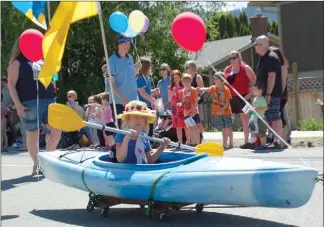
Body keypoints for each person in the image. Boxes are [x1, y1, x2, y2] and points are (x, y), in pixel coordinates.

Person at [7, 38, 62, 175]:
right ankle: (36, 163)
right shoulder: (17, 62)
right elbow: (11, 85)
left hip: (49, 100)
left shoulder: (42, 60)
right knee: (33, 135)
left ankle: (45, 161)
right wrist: (18, 105)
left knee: (57, 131)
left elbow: (51, 78)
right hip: (28, 102)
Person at [104, 34, 142, 128]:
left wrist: (136, 69)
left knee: (135, 128)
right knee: (123, 130)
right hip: (119, 103)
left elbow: (131, 77)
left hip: (133, 100)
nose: (127, 45)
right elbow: (111, 84)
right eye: (124, 43)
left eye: (128, 43)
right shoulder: (112, 60)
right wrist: (122, 98)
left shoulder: (130, 57)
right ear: (118, 45)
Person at [254, 35, 284, 149]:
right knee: (269, 117)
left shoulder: (271, 57)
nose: (254, 46)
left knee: (275, 117)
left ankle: (278, 141)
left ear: (262, 45)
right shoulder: (262, 57)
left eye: (256, 44)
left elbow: (272, 76)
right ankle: (273, 140)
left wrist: (268, 94)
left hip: (272, 93)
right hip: (265, 93)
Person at [224, 51, 256, 149]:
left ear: (239, 58)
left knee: (245, 120)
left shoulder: (245, 68)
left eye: (234, 58)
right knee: (228, 120)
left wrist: (250, 95)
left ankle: (247, 141)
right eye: (230, 58)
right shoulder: (227, 69)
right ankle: (229, 143)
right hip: (231, 98)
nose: (232, 60)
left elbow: (255, 81)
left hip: (243, 97)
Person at [198, 72, 233, 150]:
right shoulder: (214, 88)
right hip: (219, 112)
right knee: (223, 128)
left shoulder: (226, 90)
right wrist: (199, 89)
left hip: (226, 112)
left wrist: (222, 109)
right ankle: (225, 143)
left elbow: (227, 102)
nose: (214, 80)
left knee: (229, 128)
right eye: (214, 78)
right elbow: (207, 89)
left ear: (221, 80)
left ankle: (231, 143)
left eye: (215, 78)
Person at [269, 46, 291, 145]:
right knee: (277, 116)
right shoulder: (275, 67)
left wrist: (279, 94)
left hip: (281, 95)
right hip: (277, 95)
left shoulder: (282, 67)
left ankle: (284, 139)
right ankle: (278, 138)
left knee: (280, 116)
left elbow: (283, 82)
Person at [184, 60, 205, 139]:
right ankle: (196, 136)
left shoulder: (197, 76)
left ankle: (202, 135)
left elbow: (202, 90)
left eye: (187, 67)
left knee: (198, 120)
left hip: (198, 101)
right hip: (190, 102)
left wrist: (197, 91)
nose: (186, 69)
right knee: (192, 120)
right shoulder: (187, 77)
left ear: (192, 67)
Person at [178, 74, 200, 146]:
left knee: (195, 128)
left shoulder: (193, 90)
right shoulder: (181, 91)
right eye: (184, 82)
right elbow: (182, 101)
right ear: (182, 82)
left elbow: (196, 101)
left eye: (188, 81)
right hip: (186, 113)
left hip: (193, 112)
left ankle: (196, 143)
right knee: (190, 128)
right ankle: (192, 142)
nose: (186, 83)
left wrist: (194, 111)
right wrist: (180, 104)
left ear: (191, 81)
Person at [168, 70, 189, 144]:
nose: (176, 79)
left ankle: (188, 141)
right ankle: (180, 142)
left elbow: (187, 98)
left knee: (186, 125)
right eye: (174, 78)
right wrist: (172, 94)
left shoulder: (184, 87)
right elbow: (169, 100)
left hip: (184, 108)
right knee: (178, 126)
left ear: (180, 77)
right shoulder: (170, 87)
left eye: (177, 77)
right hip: (174, 108)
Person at [136, 57, 155, 136]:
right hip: (143, 106)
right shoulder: (140, 78)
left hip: (147, 105)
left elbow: (146, 92)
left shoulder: (146, 78)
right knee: (146, 127)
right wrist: (153, 100)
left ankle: (148, 143)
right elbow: (142, 93)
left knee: (149, 126)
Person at [248, 82, 268, 150]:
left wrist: (256, 109)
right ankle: (253, 143)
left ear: (260, 90)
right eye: (252, 89)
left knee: (262, 132)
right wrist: (250, 111)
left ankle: (263, 145)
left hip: (261, 118)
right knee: (255, 131)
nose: (252, 90)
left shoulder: (261, 99)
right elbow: (254, 108)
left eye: (254, 89)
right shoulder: (255, 98)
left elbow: (265, 108)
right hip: (255, 118)